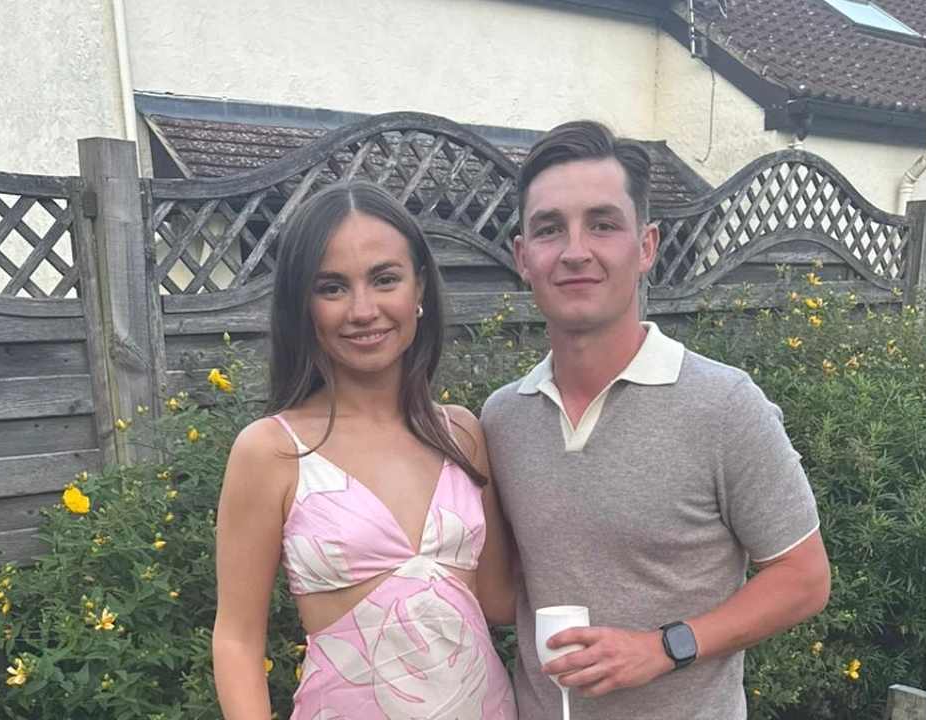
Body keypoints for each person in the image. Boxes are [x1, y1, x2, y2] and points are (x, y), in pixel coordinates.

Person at [481, 121, 831, 720]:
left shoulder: (724, 405)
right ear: (522, 257)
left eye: (602, 224)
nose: (574, 250)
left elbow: (803, 578)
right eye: (549, 229)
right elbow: (501, 592)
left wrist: (663, 648)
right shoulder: (502, 419)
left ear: (645, 247)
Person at [212, 181, 518, 719]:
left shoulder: (463, 435)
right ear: (302, 305)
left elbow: (499, 599)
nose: (362, 309)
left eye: (384, 279)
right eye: (332, 287)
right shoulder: (272, 451)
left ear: (419, 288)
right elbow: (237, 639)